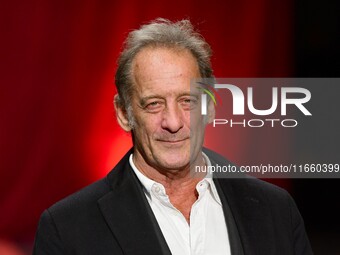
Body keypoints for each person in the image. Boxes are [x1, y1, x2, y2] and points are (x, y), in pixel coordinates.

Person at [33, 18, 313, 255]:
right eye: (154, 103)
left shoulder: (276, 210)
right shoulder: (67, 229)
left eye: (187, 101)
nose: (173, 122)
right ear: (123, 113)